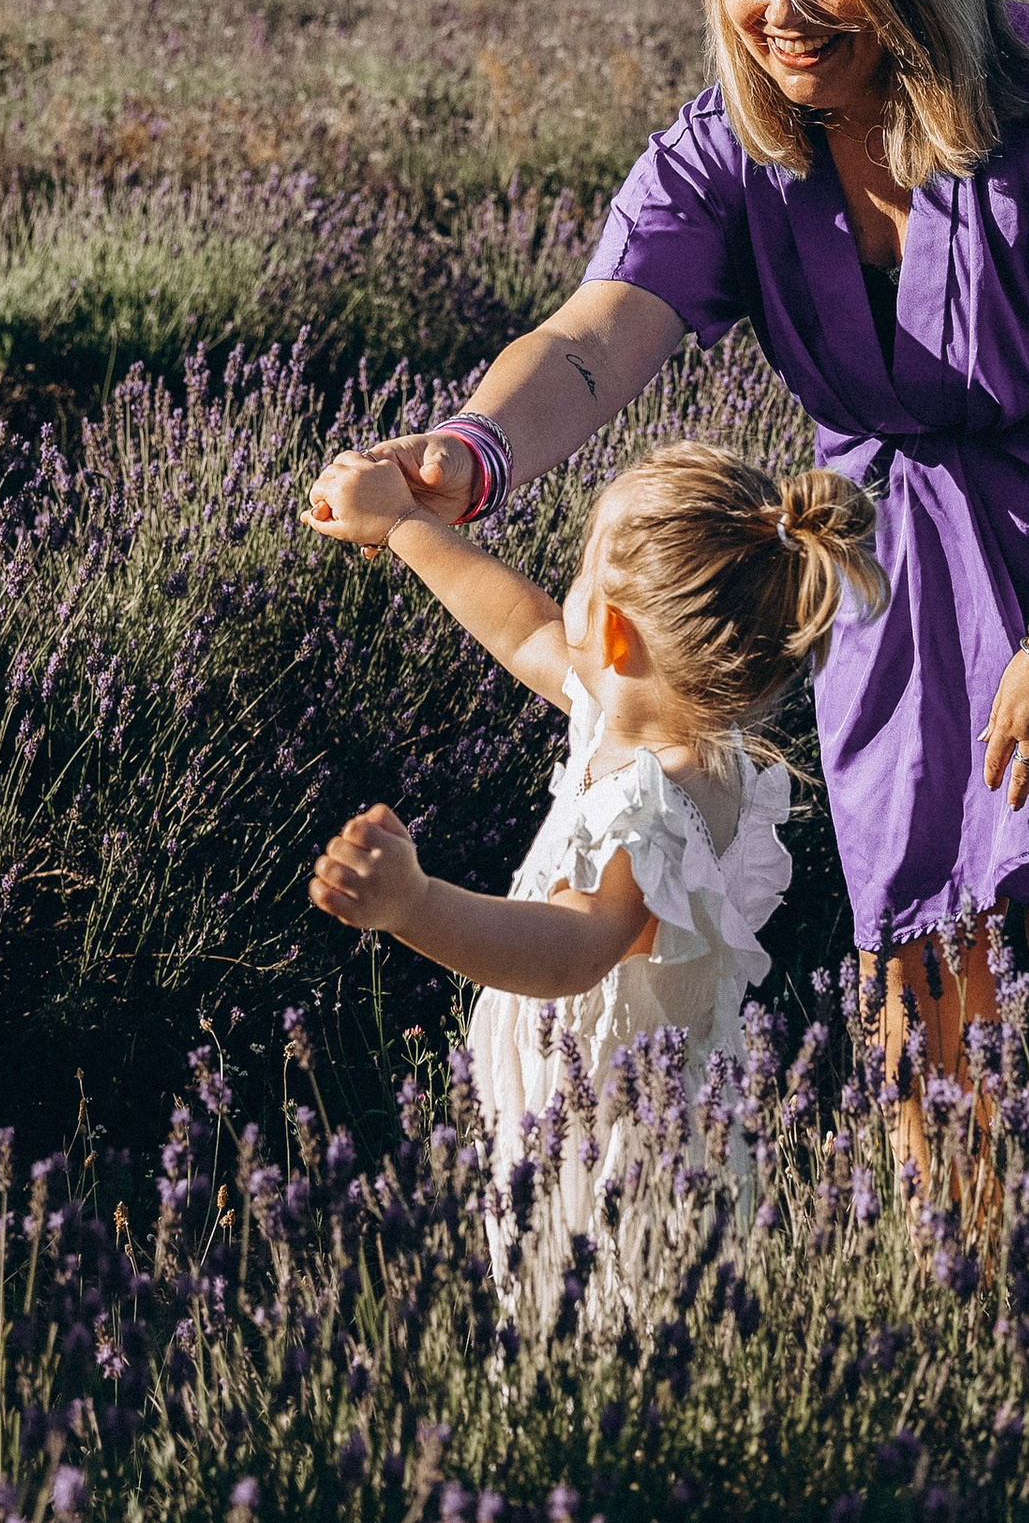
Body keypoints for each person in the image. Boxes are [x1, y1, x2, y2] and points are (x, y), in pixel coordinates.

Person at [305, 0, 1029, 1194]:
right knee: (920, 944)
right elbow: (597, 334)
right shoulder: (732, 150)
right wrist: (466, 453)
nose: (784, 8)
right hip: (897, 557)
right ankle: (957, 1285)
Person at [306, 437, 886, 1279]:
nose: (561, 596)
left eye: (579, 575)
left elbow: (573, 952)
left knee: (609, 1345)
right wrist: (401, 526)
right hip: (587, 1123)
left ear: (614, 636)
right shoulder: (650, 726)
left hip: (623, 1165)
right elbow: (523, 627)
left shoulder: (659, 811)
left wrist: (415, 905)